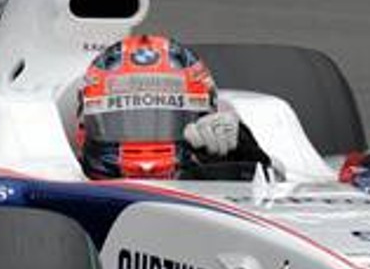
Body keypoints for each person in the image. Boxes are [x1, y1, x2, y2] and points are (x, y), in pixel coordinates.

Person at [74, 34, 269, 179]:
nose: (146, 164)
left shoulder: (211, 171)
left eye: (169, 121)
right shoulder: (61, 181)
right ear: (84, 126)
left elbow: (274, 187)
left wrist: (243, 159)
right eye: (124, 122)